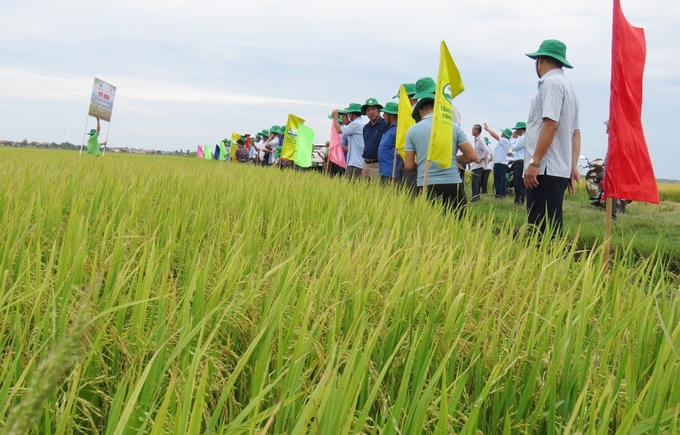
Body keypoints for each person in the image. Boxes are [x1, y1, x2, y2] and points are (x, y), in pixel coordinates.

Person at [523, 39, 581, 236]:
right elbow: (575, 133)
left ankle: (539, 266)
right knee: (551, 229)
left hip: (544, 171)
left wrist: (534, 162)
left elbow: (550, 124)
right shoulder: (570, 88)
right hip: (558, 169)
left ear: (539, 60)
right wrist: (572, 167)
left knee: (539, 232)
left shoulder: (551, 83)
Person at [403, 91, 477, 217]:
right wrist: (451, 158)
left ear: (420, 111)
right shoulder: (454, 127)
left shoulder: (412, 130)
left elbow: (409, 165)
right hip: (452, 184)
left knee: (429, 228)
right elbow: (472, 156)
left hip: (426, 184)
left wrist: (423, 162)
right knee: (457, 226)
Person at [332, 103, 365, 179]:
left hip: (355, 163)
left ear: (351, 114)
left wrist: (335, 118)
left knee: (350, 185)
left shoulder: (356, 124)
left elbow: (339, 130)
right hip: (357, 162)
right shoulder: (359, 124)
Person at [361, 98, 387, 180]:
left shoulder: (385, 124)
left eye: (373, 109)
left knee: (375, 190)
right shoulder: (366, 127)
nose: (371, 112)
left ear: (379, 111)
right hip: (365, 163)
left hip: (377, 165)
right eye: (368, 110)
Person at [484, 124, 511, 199]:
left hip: (500, 163)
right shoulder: (504, 142)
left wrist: (488, 129)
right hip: (501, 163)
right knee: (501, 180)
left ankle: (499, 195)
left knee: (499, 180)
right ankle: (502, 195)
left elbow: (495, 136)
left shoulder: (505, 141)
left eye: (503, 133)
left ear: (505, 135)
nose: (501, 134)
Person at [377, 102, 401, 183]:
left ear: (392, 115)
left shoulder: (397, 130)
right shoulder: (389, 129)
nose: (383, 116)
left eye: (385, 113)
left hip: (392, 173)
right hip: (383, 171)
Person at [509, 122, 527, 205]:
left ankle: (520, 200)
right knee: (517, 182)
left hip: (520, 162)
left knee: (519, 182)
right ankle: (518, 200)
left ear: (519, 130)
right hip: (519, 161)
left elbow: (514, 147)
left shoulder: (522, 138)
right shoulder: (522, 138)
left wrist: (513, 139)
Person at [468, 124, 488, 202]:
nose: (472, 131)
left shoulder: (481, 140)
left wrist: (481, 159)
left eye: (473, 129)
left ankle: (475, 198)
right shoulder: (476, 139)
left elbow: (486, 150)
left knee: (475, 181)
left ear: (477, 131)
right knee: (475, 181)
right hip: (475, 164)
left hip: (479, 164)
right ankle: (475, 196)